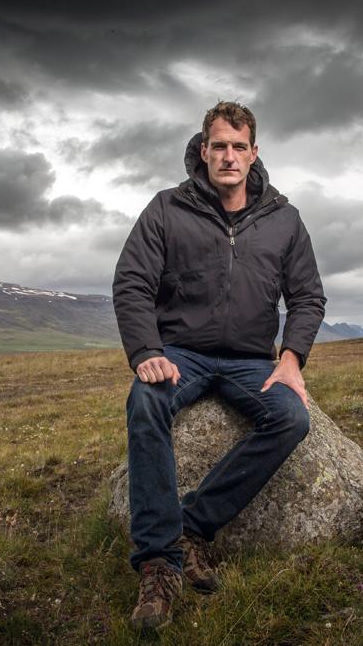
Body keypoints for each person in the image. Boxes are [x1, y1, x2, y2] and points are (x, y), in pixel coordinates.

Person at [112, 101, 326, 630]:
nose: (228, 156)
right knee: (146, 402)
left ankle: (194, 525)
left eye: (239, 146)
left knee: (292, 417)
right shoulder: (166, 208)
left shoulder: (284, 219)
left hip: (251, 360)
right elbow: (132, 283)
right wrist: (146, 353)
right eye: (219, 146)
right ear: (202, 150)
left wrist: (292, 360)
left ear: (254, 153)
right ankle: (160, 562)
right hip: (180, 353)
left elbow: (307, 297)